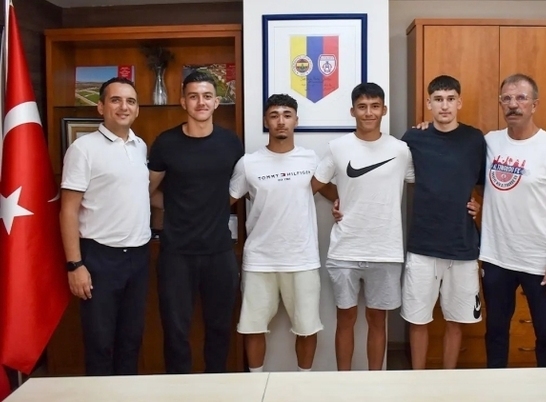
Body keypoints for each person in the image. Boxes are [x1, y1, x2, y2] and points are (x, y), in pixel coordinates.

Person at [230, 94, 337, 372]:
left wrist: (344, 204)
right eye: (274, 115)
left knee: (307, 327)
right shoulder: (248, 163)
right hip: (259, 259)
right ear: (266, 121)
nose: (281, 121)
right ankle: (255, 383)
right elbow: (225, 200)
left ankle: (304, 383)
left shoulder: (310, 159)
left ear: (296, 121)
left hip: (302, 258)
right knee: (253, 327)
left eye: (287, 115)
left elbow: (332, 192)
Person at [312, 83, 414, 370]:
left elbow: (424, 183)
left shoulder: (401, 150)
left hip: (385, 250)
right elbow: (316, 184)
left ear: (384, 110)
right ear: (353, 111)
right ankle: (343, 382)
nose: (369, 112)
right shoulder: (338, 147)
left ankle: (375, 382)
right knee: (345, 319)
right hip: (345, 249)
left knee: (377, 320)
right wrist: (339, 198)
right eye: (362, 106)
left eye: (374, 106)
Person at [148, 70, 244, 374]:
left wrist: (211, 204)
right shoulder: (166, 143)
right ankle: (178, 391)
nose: (200, 102)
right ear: (183, 102)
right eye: (193, 96)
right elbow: (146, 191)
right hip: (176, 253)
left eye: (206, 96)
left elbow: (237, 189)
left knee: (219, 329)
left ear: (216, 102)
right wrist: (177, 206)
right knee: (175, 332)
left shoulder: (231, 143)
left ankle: (216, 387)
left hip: (219, 251)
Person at [60, 77, 151, 375]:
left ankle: (126, 394)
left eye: (130, 101)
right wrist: (75, 265)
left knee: (131, 341)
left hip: (138, 257)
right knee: (100, 344)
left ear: (137, 109)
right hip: (100, 258)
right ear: (100, 107)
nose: (124, 107)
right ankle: (99, 395)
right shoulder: (83, 148)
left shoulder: (139, 146)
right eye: (115, 100)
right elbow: (68, 210)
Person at [399, 75, 486, 370]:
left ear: (459, 102)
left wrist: (479, 205)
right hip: (423, 245)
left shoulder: (475, 139)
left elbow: (488, 185)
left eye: (450, 99)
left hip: (462, 246)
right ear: (429, 103)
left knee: (456, 321)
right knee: (417, 320)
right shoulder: (413, 138)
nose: (444, 105)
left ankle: (449, 381)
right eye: (438, 99)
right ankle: (417, 380)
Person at [480, 73, 546, 368]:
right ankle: (495, 388)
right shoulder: (489, 142)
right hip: (497, 256)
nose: (513, 104)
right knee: (495, 333)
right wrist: (426, 127)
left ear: (535, 104)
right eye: (506, 98)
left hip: (538, 260)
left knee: (545, 334)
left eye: (521, 98)